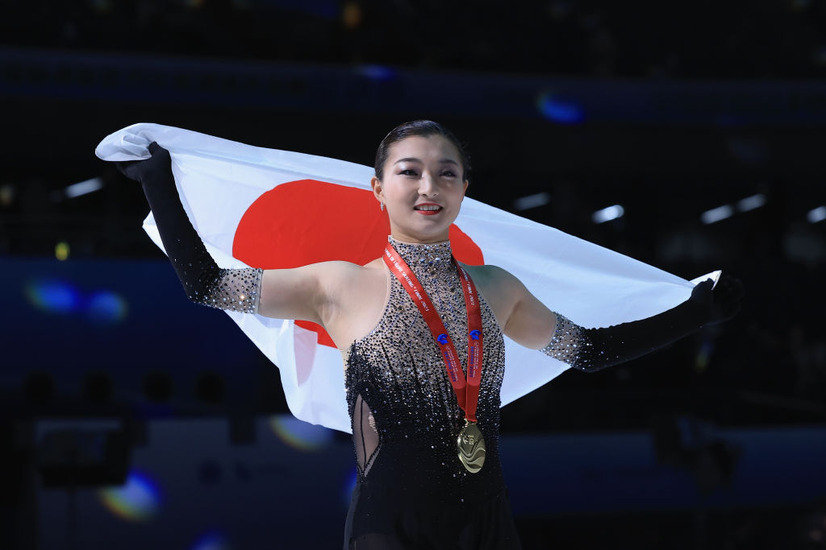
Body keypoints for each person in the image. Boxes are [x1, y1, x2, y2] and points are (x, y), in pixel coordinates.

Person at [117, 120, 743, 549]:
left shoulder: (498, 286)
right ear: (378, 187)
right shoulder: (337, 284)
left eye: (447, 174)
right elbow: (206, 286)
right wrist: (158, 184)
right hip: (392, 522)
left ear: (465, 188)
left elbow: (592, 352)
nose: (428, 187)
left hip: (488, 519)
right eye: (410, 172)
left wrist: (695, 315)